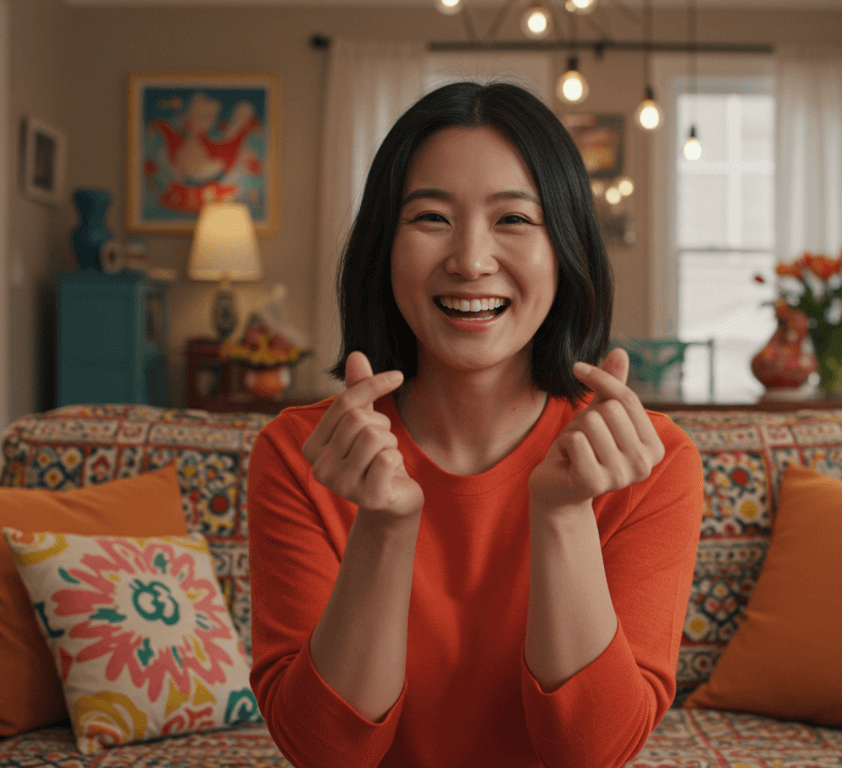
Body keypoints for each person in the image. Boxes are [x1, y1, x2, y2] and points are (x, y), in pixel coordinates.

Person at [247, 81, 704, 768]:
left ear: (566, 248)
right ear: (383, 246)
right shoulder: (298, 452)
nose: (469, 260)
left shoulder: (653, 461)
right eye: (430, 217)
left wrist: (563, 514)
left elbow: (592, 752)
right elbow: (325, 753)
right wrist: (384, 524)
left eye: (514, 220)